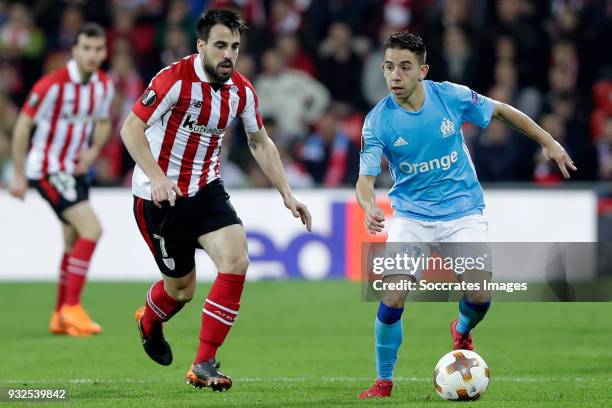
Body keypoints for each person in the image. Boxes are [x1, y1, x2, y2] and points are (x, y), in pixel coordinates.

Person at [356, 31, 576, 399]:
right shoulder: (377, 121)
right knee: (393, 296)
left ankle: (461, 327)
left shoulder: (450, 97)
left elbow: (502, 111)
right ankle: (383, 382)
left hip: (462, 212)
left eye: (405, 67)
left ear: (422, 70)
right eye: (390, 67)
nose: (395, 75)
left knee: (479, 296)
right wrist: (368, 206)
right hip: (412, 218)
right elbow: (364, 180)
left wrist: (548, 141)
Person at [120, 9, 311, 392]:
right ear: (201, 46)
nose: (229, 54)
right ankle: (149, 320)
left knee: (236, 258)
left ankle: (203, 361)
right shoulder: (174, 79)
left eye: (235, 47)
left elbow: (260, 142)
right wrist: (157, 178)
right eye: (221, 45)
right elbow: (131, 129)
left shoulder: (241, 91)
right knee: (181, 291)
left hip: (206, 189)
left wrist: (287, 194)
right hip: (159, 199)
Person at [9, 23, 114, 337]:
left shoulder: (104, 86)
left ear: (104, 52)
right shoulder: (51, 85)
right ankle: (72, 307)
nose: (92, 55)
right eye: (86, 48)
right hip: (47, 168)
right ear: (75, 50)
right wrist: (17, 174)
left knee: (72, 240)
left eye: (98, 49)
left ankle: (59, 316)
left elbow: (104, 120)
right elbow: (22, 127)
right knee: (92, 229)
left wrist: (94, 150)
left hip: (75, 170)